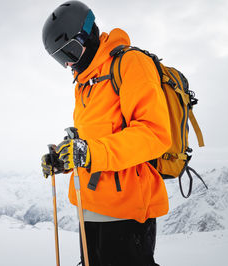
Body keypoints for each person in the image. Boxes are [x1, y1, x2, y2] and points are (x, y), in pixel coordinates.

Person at [41, 1, 172, 266]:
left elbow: (154, 134)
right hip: (88, 208)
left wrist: (89, 153)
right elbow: (91, 140)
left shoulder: (130, 63)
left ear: (88, 35)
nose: (68, 64)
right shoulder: (83, 84)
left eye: (71, 52)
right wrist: (65, 158)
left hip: (126, 211)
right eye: (60, 58)